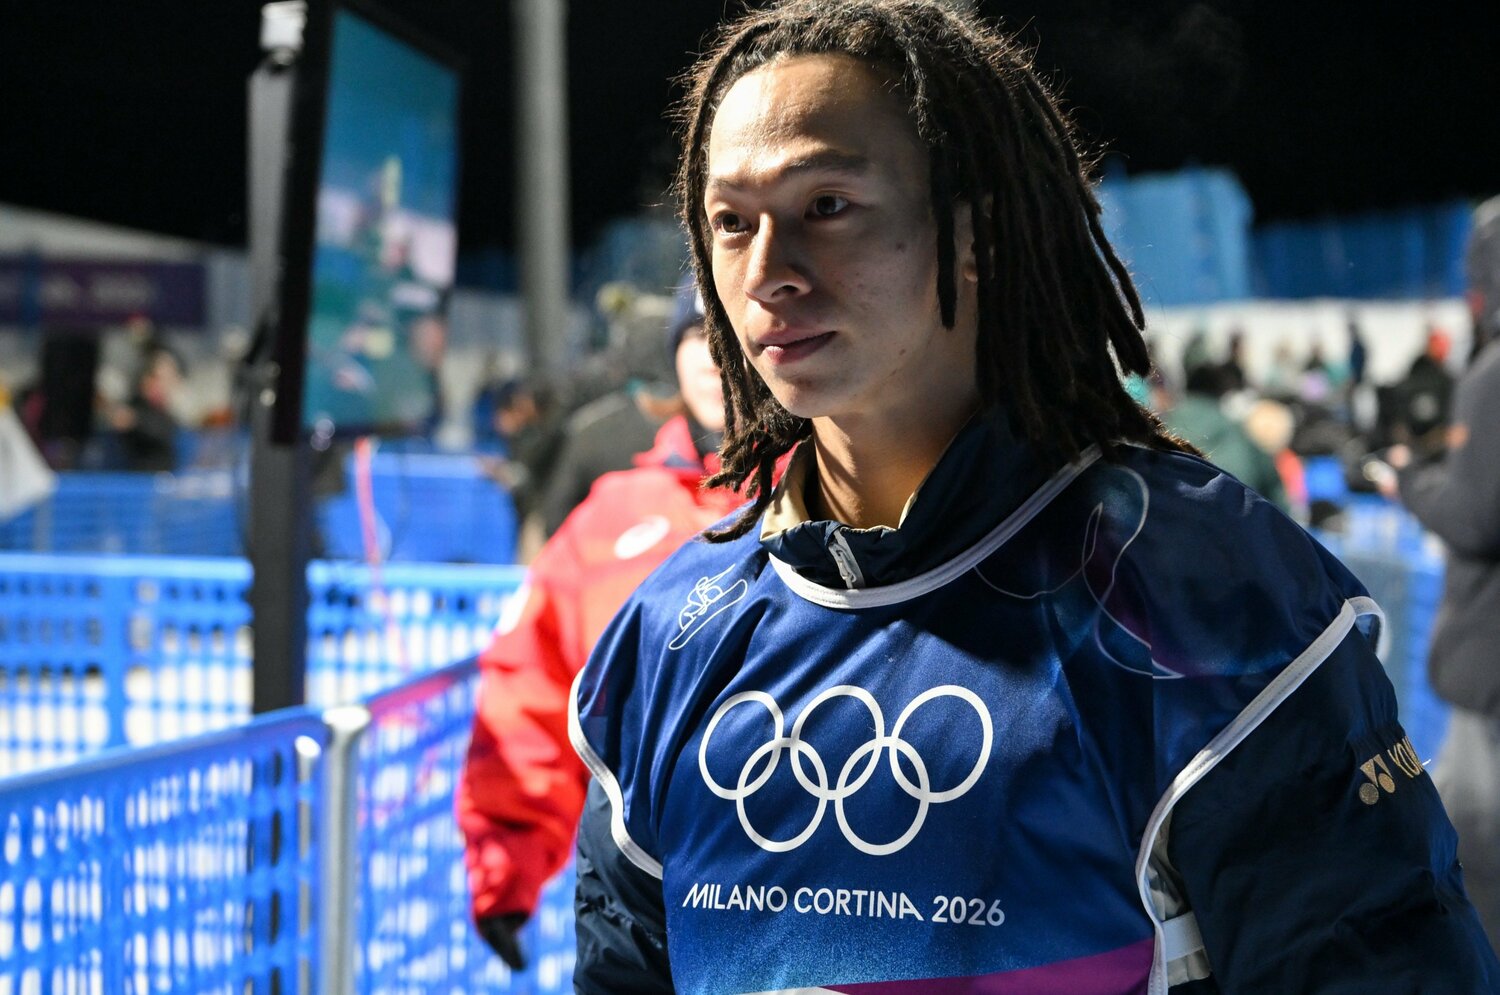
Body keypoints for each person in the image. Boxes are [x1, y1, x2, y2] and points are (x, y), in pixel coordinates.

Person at [567, 3, 1498, 992]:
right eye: (731, 222)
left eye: (827, 205)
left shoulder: (1204, 597)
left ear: (976, 230)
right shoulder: (675, 633)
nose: (766, 272)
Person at [456, 278, 742, 970]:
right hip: (633, 905)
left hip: (801, 893)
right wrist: (506, 861)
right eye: (694, 334)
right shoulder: (613, 514)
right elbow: (533, 683)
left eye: (731, 325)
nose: (712, 353)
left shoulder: (838, 497)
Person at [1380, 195, 1500, 949]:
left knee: (1478, 849)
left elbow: (1475, 517)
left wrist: (1411, 480)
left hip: (1492, 666)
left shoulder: (1491, 374)